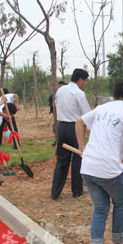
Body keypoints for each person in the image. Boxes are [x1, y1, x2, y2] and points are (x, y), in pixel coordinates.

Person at [75, 79, 123, 244]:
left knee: (100, 208)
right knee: (122, 202)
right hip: (108, 170)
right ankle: (119, 241)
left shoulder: (103, 108)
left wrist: (83, 148)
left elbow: (79, 122)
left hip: (88, 167)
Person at [51, 69, 91, 199]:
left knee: (62, 160)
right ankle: (77, 191)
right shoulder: (79, 93)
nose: (85, 84)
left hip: (62, 127)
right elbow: (86, 114)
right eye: (85, 81)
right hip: (75, 127)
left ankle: (55, 191)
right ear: (80, 80)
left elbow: (56, 105)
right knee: (78, 159)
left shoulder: (60, 90)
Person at [49, 81, 67, 146]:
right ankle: (57, 140)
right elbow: (51, 103)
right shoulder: (54, 94)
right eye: (59, 86)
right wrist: (52, 110)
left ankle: (61, 141)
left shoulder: (68, 94)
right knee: (56, 127)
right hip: (57, 114)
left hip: (66, 116)